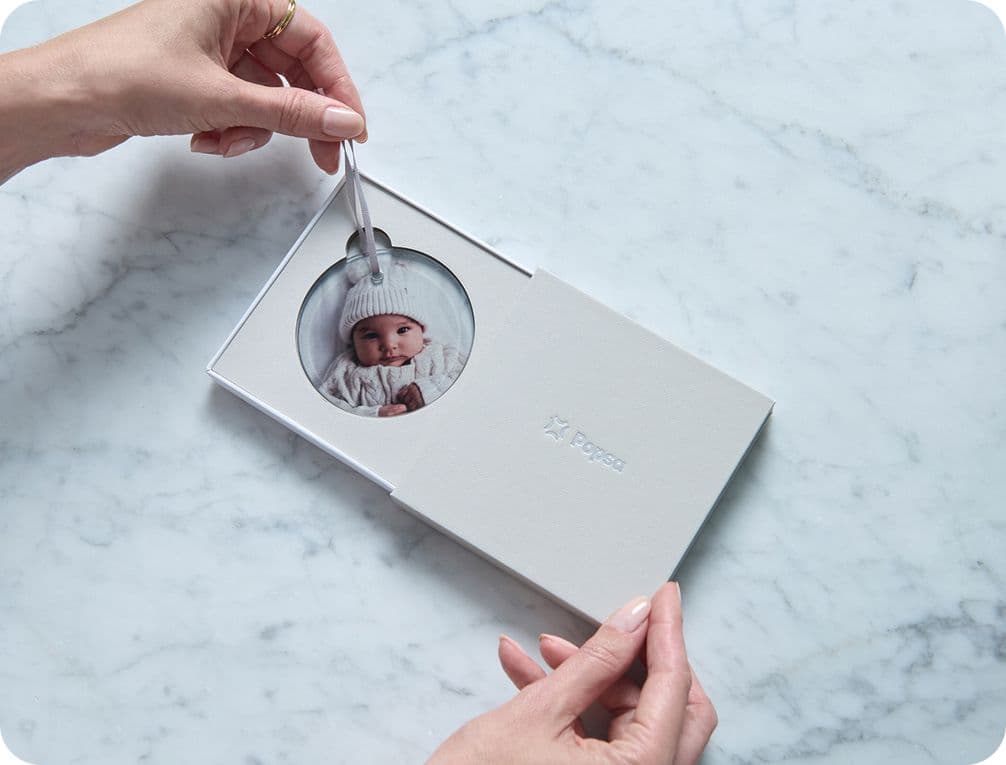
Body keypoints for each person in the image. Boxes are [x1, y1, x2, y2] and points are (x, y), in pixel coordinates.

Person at [0, 1, 717, 761]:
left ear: (424, 332)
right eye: (369, 336)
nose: (383, 345)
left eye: (397, 331)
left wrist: (59, 98)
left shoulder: (439, 360)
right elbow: (350, 399)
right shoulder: (346, 376)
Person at [321, 256, 466, 417]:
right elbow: (324, 408)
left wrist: (432, 389)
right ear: (353, 341)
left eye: (403, 330)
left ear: (421, 329)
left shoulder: (442, 356)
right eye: (371, 335)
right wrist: (372, 414)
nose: (389, 345)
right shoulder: (346, 372)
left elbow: (472, 384)